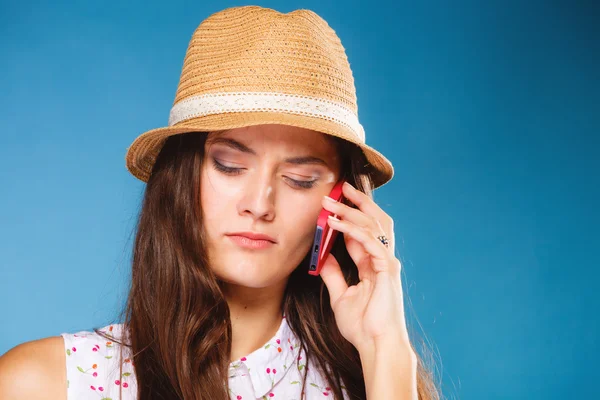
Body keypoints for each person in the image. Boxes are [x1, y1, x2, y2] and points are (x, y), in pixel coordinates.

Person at [0, 5, 440, 400]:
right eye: (229, 166)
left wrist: (386, 350)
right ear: (180, 179)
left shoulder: (378, 384)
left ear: (339, 203)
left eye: (300, 179)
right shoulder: (45, 382)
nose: (259, 203)